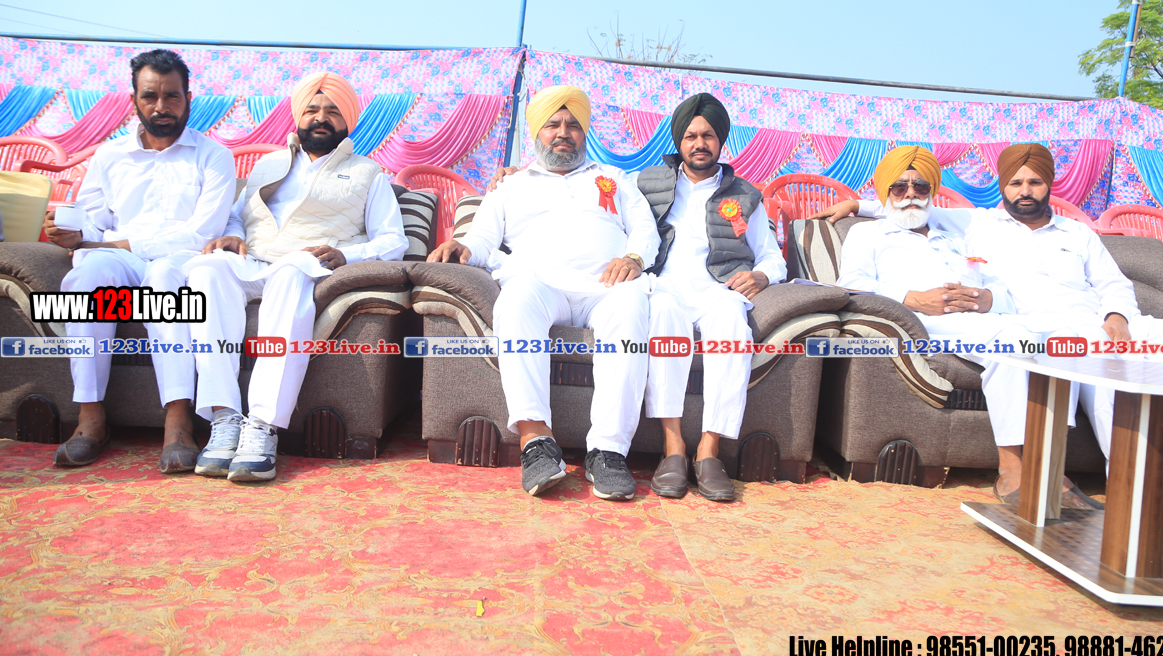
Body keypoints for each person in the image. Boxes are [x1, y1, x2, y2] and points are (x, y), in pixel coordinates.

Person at [822, 143, 1163, 511]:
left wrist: (1115, 315)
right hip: (966, 324)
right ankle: (1037, 472)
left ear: (1049, 185)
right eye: (1016, 183)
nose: (1025, 191)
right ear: (1003, 186)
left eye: (1035, 182)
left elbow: (1102, 285)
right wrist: (859, 208)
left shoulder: (959, 235)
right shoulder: (966, 224)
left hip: (1049, 321)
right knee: (1036, 346)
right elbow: (858, 277)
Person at [427, 85, 660, 500]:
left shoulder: (613, 178)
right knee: (515, 300)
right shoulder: (510, 186)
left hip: (606, 286)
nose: (563, 132)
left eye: (573, 125)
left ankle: (608, 451)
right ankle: (536, 442)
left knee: (631, 306)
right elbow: (482, 237)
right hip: (540, 282)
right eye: (553, 124)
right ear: (537, 133)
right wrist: (463, 247)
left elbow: (645, 228)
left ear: (584, 133)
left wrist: (634, 257)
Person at [186, 71, 407, 482]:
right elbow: (237, 214)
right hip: (255, 261)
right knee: (206, 269)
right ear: (298, 117)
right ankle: (224, 417)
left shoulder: (368, 172)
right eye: (312, 109)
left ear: (348, 120)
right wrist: (233, 235)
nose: (320, 118)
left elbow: (394, 240)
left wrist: (346, 253)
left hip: (307, 265)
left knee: (290, 271)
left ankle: (262, 426)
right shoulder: (266, 165)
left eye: (332, 111)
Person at [42, 49, 236, 472]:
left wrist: (113, 243)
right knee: (89, 274)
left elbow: (201, 233)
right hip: (120, 260)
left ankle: (178, 421)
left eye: (172, 96)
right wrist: (73, 233)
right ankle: (90, 418)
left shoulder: (214, 155)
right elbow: (93, 221)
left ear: (188, 99)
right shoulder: (109, 156)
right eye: (150, 96)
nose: (161, 106)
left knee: (163, 275)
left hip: (182, 261)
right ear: (134, 100)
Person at [636, 93, 786, 501]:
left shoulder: (745, 194)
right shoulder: (647, 183)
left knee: (733, 326)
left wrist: (761, 274)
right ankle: (673, 448)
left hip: (718, 288)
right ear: (678, 141)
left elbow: (772, 255)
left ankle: (708, 450)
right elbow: (600, 196)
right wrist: (511, 174)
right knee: (662, 314)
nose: (699, 143)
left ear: (721, 141)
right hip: (665, 285)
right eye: (690, 136)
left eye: (708, 136)